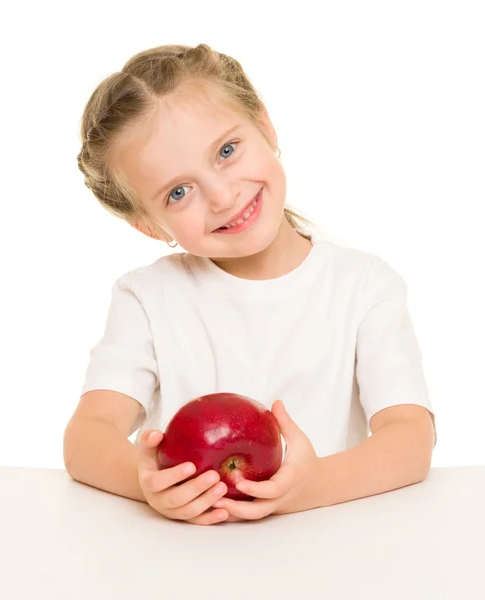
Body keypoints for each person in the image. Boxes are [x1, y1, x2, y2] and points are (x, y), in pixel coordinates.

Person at [64, 43, 437, 526]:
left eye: (226, 150)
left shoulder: (364, 287)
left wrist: (310, 486)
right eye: (178, 192)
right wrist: (146, 483)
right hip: (183, 566)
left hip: (328, 552)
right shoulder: (147, 298)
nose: (222, 196)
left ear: (265, 126)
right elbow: (87, 437)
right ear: (150, 227)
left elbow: (409, 439)